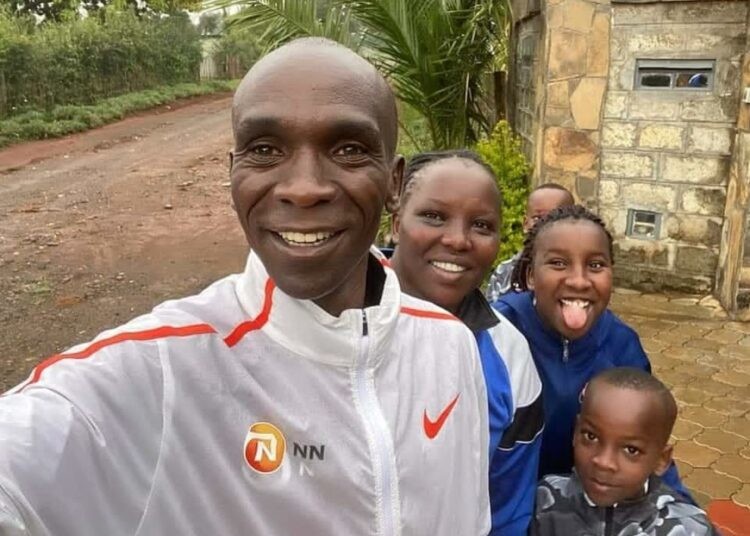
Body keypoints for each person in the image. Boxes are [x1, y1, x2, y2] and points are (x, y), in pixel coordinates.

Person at [0, 39, 492, 536]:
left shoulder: (450, 346)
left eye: (348, 149)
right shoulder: (161, 370)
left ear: (394, 183)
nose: (303, 188)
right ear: (233, 173)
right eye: (265, 150)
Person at [492, 204, 693, 501]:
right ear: (531, 275)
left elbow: (646, 434)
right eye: (558, 263)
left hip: (587, 507)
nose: (579, 280)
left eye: (596, 265)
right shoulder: (497, 335)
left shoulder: (622, 346)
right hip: (504, 505)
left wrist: (686, 508)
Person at [388, 150, 543, 535]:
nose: (458, 240)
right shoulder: (334, 325)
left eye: (481, 225)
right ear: (395, 223)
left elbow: (508, 508)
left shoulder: (509, 354)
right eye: (433, 216)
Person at [531, 367, 717, 535]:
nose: (603, 462)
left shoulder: (688, 529)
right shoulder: (544, 501)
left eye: (631, 450)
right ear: (575, 432)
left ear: (661, 459)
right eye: (591, 436)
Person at [485, 183, 574, 301]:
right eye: (538, 218)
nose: (545, 224)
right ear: (525, 224)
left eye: (556, 217)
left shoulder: (579, 273)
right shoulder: (505, 271)